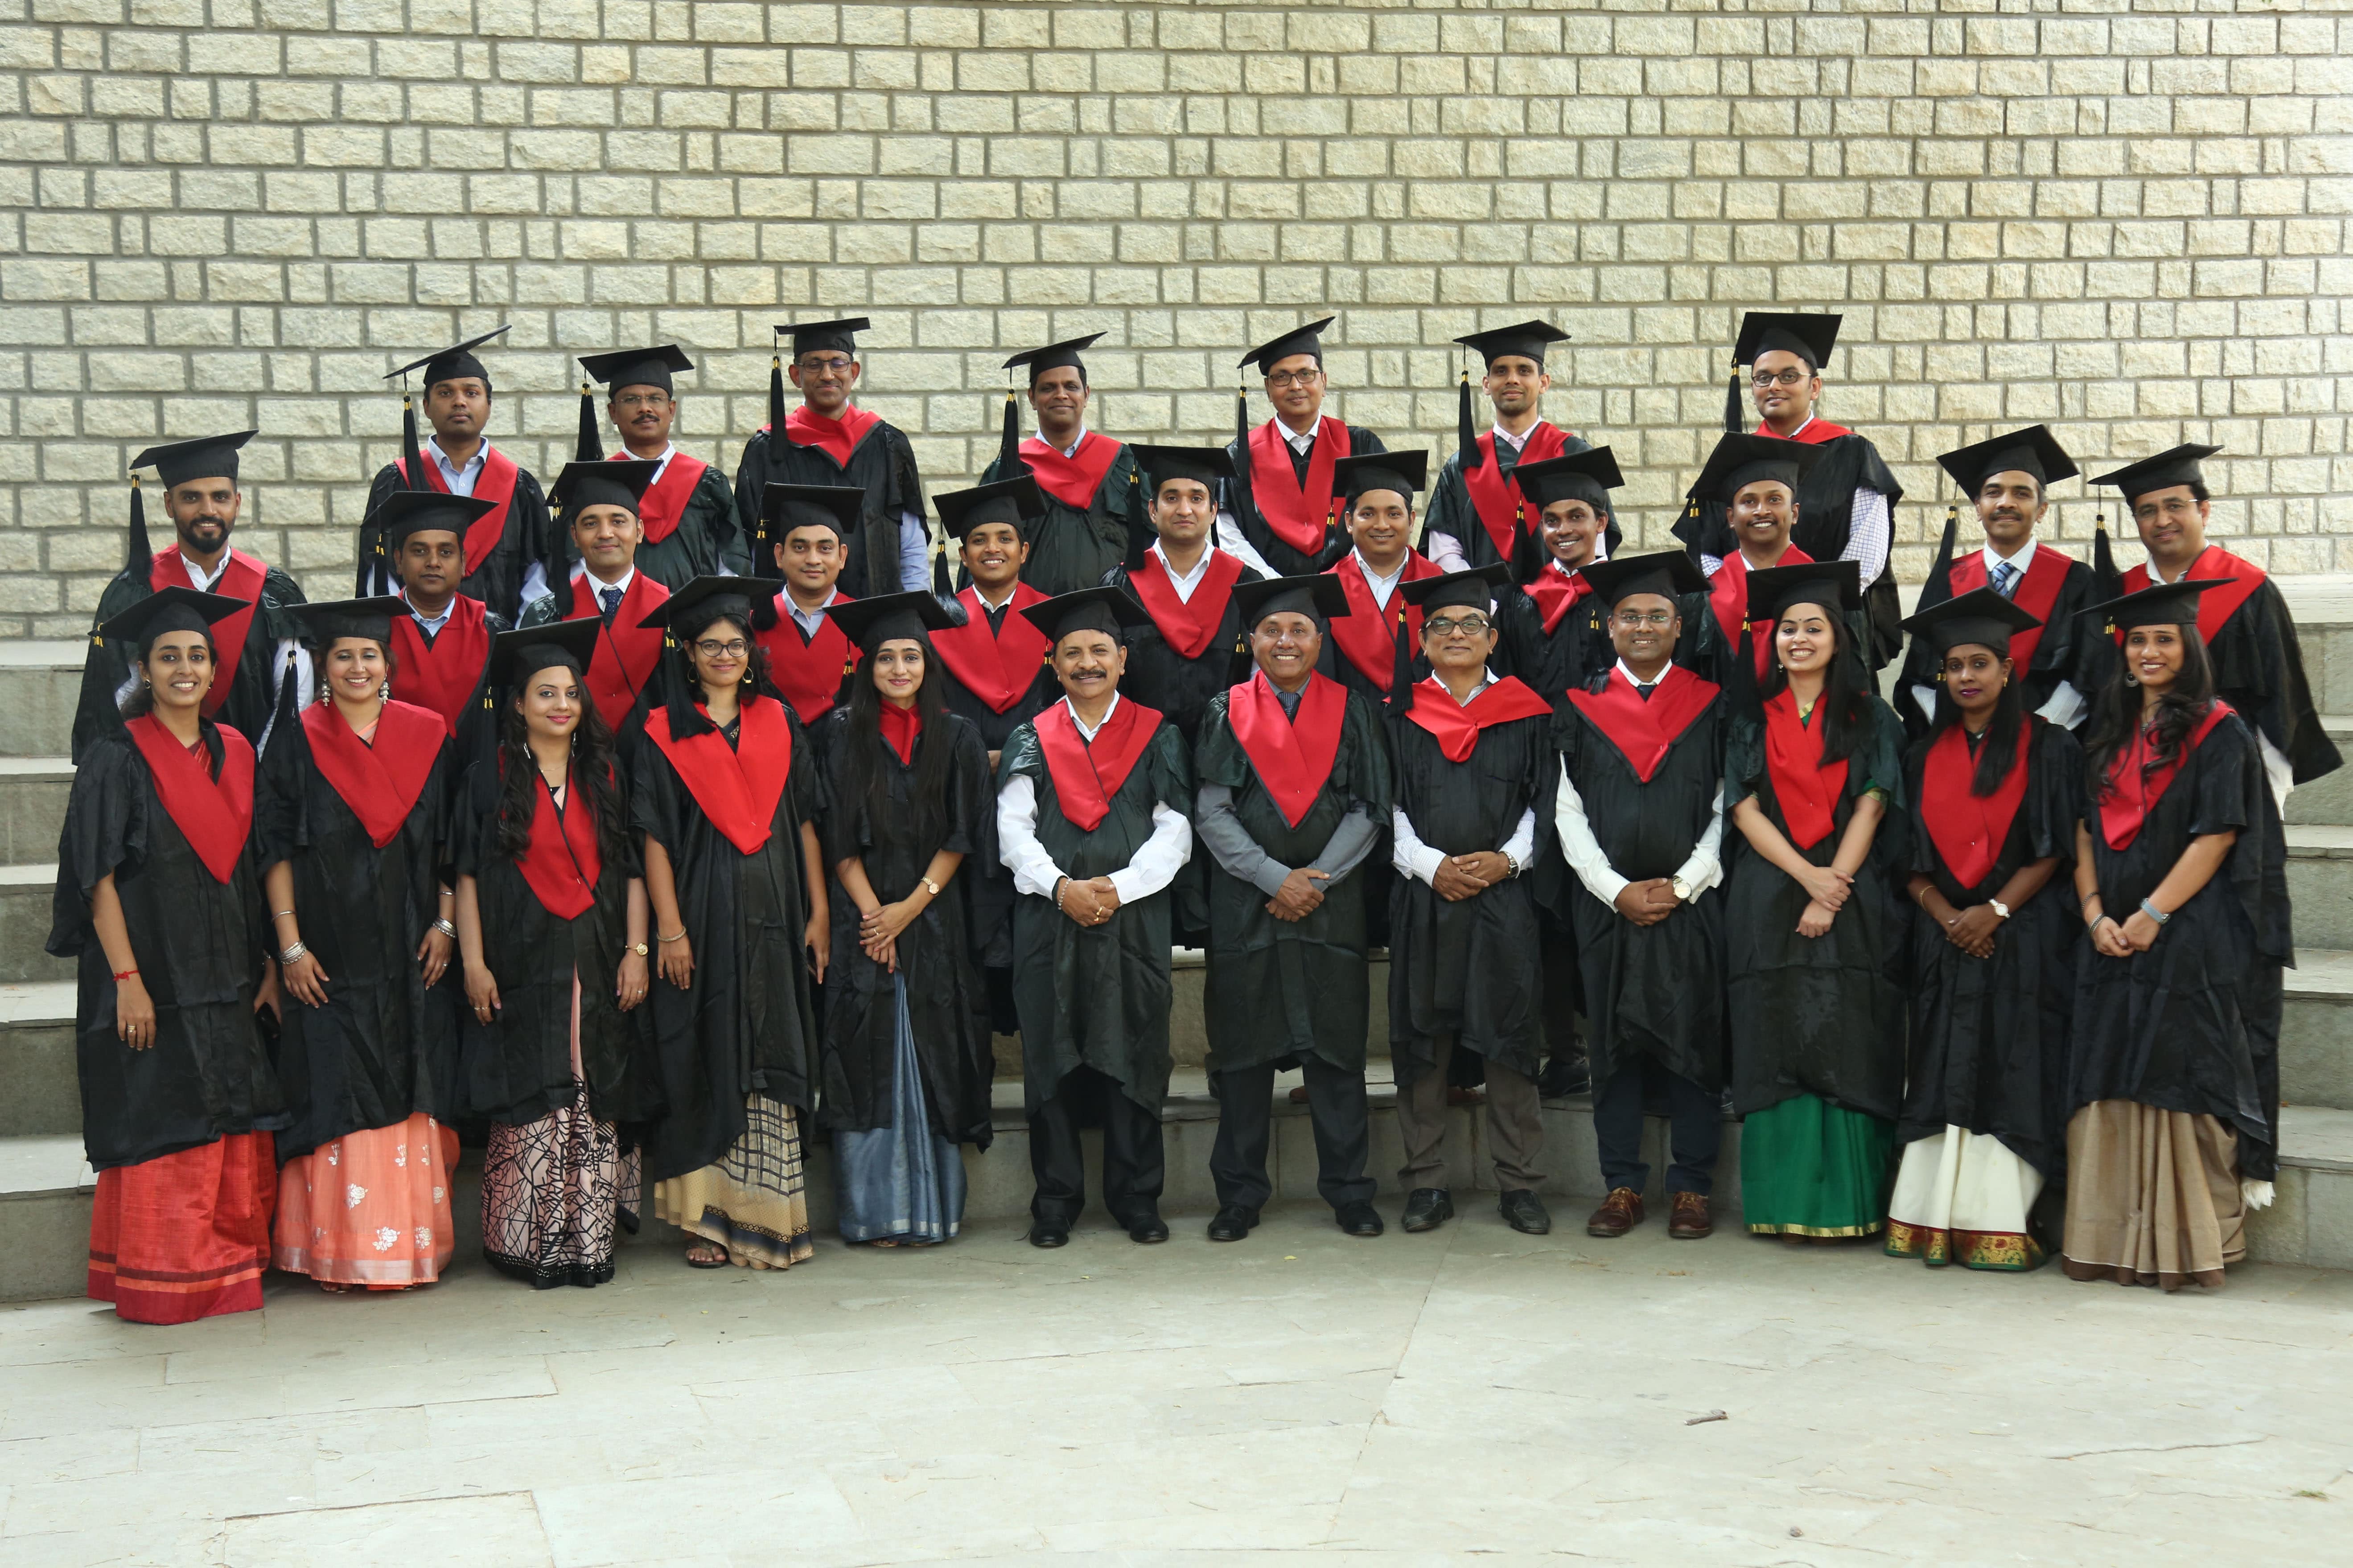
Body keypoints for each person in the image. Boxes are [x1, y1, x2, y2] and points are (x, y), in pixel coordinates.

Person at [49, 587, 285, 1323]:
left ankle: (225, 1268)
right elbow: (99, 878)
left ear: (215, 669)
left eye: (196, 656)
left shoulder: (239, 751)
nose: (185, 668)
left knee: (227, 1108)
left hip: (229, 972)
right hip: (151, 969)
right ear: (144, 671)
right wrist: (127, 980)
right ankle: (163, 1275)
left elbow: (250, 868)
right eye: (168, 657)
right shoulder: (115, 758)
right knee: (166, 1108)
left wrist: (272, 963)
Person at [2065, 579, 2287, 1291]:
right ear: (2122, 654)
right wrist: (2095, 910)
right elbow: (2081, 829)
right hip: (2110, 933)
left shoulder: (2218, 730)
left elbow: (2218, 833)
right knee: (2111, 1069)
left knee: (2175, 1072)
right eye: (2137, 641)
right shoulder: (2105, 730)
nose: (2150, 651)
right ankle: (2109, 1238)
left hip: (2187, 930)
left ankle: (2180, 1243)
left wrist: (2152, 914)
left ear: (2189, 648)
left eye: (2164, 639)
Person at [260, 596, 462, 1292]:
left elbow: (448, 843)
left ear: (388, 665)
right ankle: (337, 1249)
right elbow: (275, 849)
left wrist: (445, 922)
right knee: (333, 1079)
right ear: (323, 664)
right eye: (342, 654)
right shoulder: (295, 740)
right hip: (327, 948)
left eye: (368, 654)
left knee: (407, 1070)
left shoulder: (427, 735)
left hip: (411, 944)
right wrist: (289, 946)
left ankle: (402, 1245)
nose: (355, 666)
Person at [452, 623, 660, 1288]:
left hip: (598, 958)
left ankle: (588, 1243)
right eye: (545, 694)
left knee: (591, 1088)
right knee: (534, 1094)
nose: (561, 705)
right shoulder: (489, 781)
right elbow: (467, 878)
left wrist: (637, 950)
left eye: (571, 693)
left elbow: (631, 871)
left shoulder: (604, 775)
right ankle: (528, 1242)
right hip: (520, 961)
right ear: (517, 704)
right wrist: (474, 963)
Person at [635, 578, 830, 1270]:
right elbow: (653, 837)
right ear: (688, 653)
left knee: (770, 1043)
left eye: (735, 643)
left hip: (777, 915)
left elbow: (806, 822)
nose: (724, 653)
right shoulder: (662, 729)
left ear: (751, 651)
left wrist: (820, 913)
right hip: (701, 916)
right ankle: (706, 1222)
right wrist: (669, 928)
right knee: (705, 1047)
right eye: (710, 645)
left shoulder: (779, 721)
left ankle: (769, 1215)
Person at [1886, 590, 2084, 1272]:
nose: (1965, 676)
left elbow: (2054, 848)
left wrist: (1992, 911)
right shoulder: (1919, 757)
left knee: (2012, 1063)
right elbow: (1905, 861)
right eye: (1953, 666)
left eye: (1980, 663)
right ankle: (1929, 1215)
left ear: (2007, 669)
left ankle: (1998, 1217)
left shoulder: (2051, 748)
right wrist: (1948, 914)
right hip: (1943, 941)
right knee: (1940, 1064)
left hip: (2022, 940)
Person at [1193, 575, 1390, 1242]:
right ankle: (1239, 1196)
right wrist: (1277, 878)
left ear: (1320, 638)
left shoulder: (1352, 709)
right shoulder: (1227, 708)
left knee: (1336, 1054)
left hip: (1329, 907)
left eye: (1299, 629)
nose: (1284, 640)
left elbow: (1368, 808)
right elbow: (1212, 810)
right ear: (1251, 639)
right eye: (1272, 630)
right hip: (1249, 905)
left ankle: (1349, 1191)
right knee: (1243, 1058)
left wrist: (1318, 879)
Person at [998, 587, 1195, 1248]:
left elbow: (1175, 830)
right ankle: (1054, 1199)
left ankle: (1136, 1197)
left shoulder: (1157, 732)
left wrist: (1115, 886)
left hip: (1131, 922)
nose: (1087, 663)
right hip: (1050, 922)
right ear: (1053, 663)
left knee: (1133, 1050)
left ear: (1121, 659)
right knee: (1051, 1055)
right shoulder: (1031, 737)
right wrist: (1061, 888)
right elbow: (1012, 831)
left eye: (1099, 651)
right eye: (1073, 652)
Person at [1723, 562, 1909, 1241]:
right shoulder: (1750, 718)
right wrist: (1809, 877)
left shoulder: (1869, 717)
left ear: (1839, 637)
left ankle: (1849, 1203)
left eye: (1813, 628)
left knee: (1846, 1029)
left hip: (1850, 895)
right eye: (1787, 629)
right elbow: (1740, 807)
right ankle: (1779, 1200)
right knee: (1772, 1027)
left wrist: (1832, 887)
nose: (1798, 639)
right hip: (1769, 892)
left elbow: (1873, 801)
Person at [1551, 553, 1729, 1242]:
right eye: (1630, 615)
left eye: (1658, 614)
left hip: (1691, 905)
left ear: (1679, 626)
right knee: (1613, 1044)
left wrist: (1684, 884)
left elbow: (1726, 805)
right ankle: (1621, 1182)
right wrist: (1615, 889)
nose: (1644, 625)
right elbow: (1566, 811)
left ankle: (1690, 1187)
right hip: (1609, 908)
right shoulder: (1580, 707)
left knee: (1695, 1041)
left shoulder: (1710, 706)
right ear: (1608, 624)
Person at [817, 593, 996, 1246]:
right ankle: (873, 1216)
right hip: (859, 919)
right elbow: (835, 835)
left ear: (928, 662)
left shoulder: (957, 736)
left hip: (933, 920)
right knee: (864, 1061)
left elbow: (960, 836)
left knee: (933, 1056)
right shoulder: (841, 734)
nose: (899, 667)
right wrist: (874, 917)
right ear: (866, 667)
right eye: (886, 657)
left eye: (910, 655)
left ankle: (931, 1212)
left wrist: (908, 909)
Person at [1386, 566, 1559, 1236]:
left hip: (1502, 898)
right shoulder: (1398, 716)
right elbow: (1388, 805)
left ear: (1491, 639)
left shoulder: (1526, 712)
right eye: (1441, 627)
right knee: (1422, 1042)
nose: (1455, 635)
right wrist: (1428, 865)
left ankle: (1518, 1183)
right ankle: (1425, 1182)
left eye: (1470, 626)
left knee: (1510, 1038)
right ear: (1422, 641)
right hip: (1424, 897)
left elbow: (1540, 801)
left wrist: (1507, 860)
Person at [2095, 443, 2341, 811]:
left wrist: (2270, 792)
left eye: (2175, 506)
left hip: (2228, 778)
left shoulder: (2248, 590)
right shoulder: (2119, 596)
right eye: (2148, 511)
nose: (2162, 520)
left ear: (2204, 511)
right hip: (2137, 782)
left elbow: (2277, 694)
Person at [1677, 312, 1903, 665]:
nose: (1774, 386)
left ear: (1814, 387)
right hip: (1739, 623)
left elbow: (1868, 549)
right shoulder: (1735, 457)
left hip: (1825, 625)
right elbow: (1705, 549)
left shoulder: (1852, 452)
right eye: (1763, 378)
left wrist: (1818, 610)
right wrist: (1734, 601)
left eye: (1789, 376)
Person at [73, 432, 309, 763]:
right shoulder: (135, 591)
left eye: (220, 497)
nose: (208, 510)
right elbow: (117, 695)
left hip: (254, 779)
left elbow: (294, 695)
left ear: (237, 503)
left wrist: (258, 768)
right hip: (156, 776)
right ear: (170, 505)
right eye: (191, 498)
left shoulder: (273, 592)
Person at [930, 474, 1060, 1031]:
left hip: (1043, 794)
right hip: (962, 795)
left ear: (1023, 550)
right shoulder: (938, 622)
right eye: (979, 539)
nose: (992, 548)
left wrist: (1014, 757)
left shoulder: (1053, 620)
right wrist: (968, 757)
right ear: (963, 553)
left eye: (1004, 538)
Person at [1898, 426, 2097, 738]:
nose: (2006, 503)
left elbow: (2089, 670)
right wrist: (1963, 732)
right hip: (1958, 741)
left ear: (2042, 510)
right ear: (1978, 508)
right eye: (1993, 492)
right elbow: (1921, 674)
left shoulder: (2077, 580)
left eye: (2022, 493)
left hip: (2045, 744)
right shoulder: (1949, 580)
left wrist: (2041, 732)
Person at [733, 316, 929, 598]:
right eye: (814, 364)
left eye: (838, 363)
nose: (827, 375)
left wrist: (914, 611)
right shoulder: (766, 449)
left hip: (877, 614)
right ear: (795, 375)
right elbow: (749, 543)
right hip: (790, 619)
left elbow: (911, 542)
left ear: (855, 371)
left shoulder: (888, 444)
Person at [365, 326, 549, 620]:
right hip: (412, 646)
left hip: (501, 649)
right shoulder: (396, 481)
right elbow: (380, 572)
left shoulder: (518, 486)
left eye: (472, 393)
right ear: (425, 406)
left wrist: (520, 641)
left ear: (489, 406)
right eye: (446, 392)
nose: (459, 401)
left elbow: (537, 574)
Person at [1102, 443, 1262, 747]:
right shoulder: (1120, 585)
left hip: (1227, 750)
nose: (1185, 510)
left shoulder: (1245, 585)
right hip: (1140, 751)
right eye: (1172, 498)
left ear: (1214, 511)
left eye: (1197, 499)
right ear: (1152, 510)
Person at [1219, 316, 1388, 578]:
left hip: (1353, 589)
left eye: (1306, 374)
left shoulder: (1362, 445)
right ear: (1267, 388)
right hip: (1267, 600)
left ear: (1324, 381)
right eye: (1282, 377)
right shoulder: (1241, 455)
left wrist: (1346, 575)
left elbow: (1383, 519)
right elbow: (1229, 535)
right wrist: (1271, 584)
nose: (1296, 386)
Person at [979, 333, 1145, 596]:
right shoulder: (1009, 470)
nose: (1061, 395)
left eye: (1071, 386)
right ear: (1032, 398)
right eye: (1048, 388)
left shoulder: (1125, 465)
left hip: (1113, 616)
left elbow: (1151, 543)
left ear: (1086, 394)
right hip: (1031, 617)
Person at [1420, 321, 1591, 574]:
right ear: (1487, 385)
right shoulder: (1461, 467)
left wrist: (1561, 597)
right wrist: (1482, 603)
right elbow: (1444, 551)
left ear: (1544, 383)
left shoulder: (1575, 455)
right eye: (1501, 371)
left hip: (1562, 603)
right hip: (1482, 609)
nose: (1512, 379)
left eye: (1524, 371)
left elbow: (1594, 541)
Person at [572, 344, 746, 589]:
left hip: (696, 620)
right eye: (631, 400)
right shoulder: (594, 484)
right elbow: (574, 566)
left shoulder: (707, 483)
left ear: (672, 410)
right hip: (617, 617)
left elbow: (731, 565)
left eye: (655, 399)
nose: (645, 408)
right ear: (613, 412)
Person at [518, 459, 668, 738]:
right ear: (574, 536)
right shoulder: (545, 615)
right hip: (574, 757)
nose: (605, 533)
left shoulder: (671, 610)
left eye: (618, 521)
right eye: (590, 524)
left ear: (639, 531)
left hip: (655, 758)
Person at [1689, 432, 1831, 690]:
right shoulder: (1706, 594)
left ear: (1795, 513)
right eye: (1749, 501)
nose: (1762, 511)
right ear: (1731, 518)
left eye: (1774, 500)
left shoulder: (1825, 588)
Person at [372, 490, 513, 739]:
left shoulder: (493, 631)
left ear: (463, 562)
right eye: (420, 551)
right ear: (398, 561)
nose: (433, 562)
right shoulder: (375, 631)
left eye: (446, 552)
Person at [1496, 447, 1629, 701]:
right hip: (1535, 734)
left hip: (1604, 732)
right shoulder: (1520, 601)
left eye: (1577, 517)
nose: (1563, 530)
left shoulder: (1620, 595)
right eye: (1552, 521)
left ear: (1601, 523)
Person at [1320, 451, 1444, 701]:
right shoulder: (1326, 590)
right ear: (1349, 522)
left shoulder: (1439, 584)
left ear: (1411, 520)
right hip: (1350, 726)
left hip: (1426, 726)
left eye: (1394, 514)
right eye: (1368, 514)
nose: (1382, 525)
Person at [749, 482, 865, 727]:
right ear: (780, 555)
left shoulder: (866, 621)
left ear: (842, 556)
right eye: (800, 548)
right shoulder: (750, 625)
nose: (813, 559)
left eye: (825, 549)